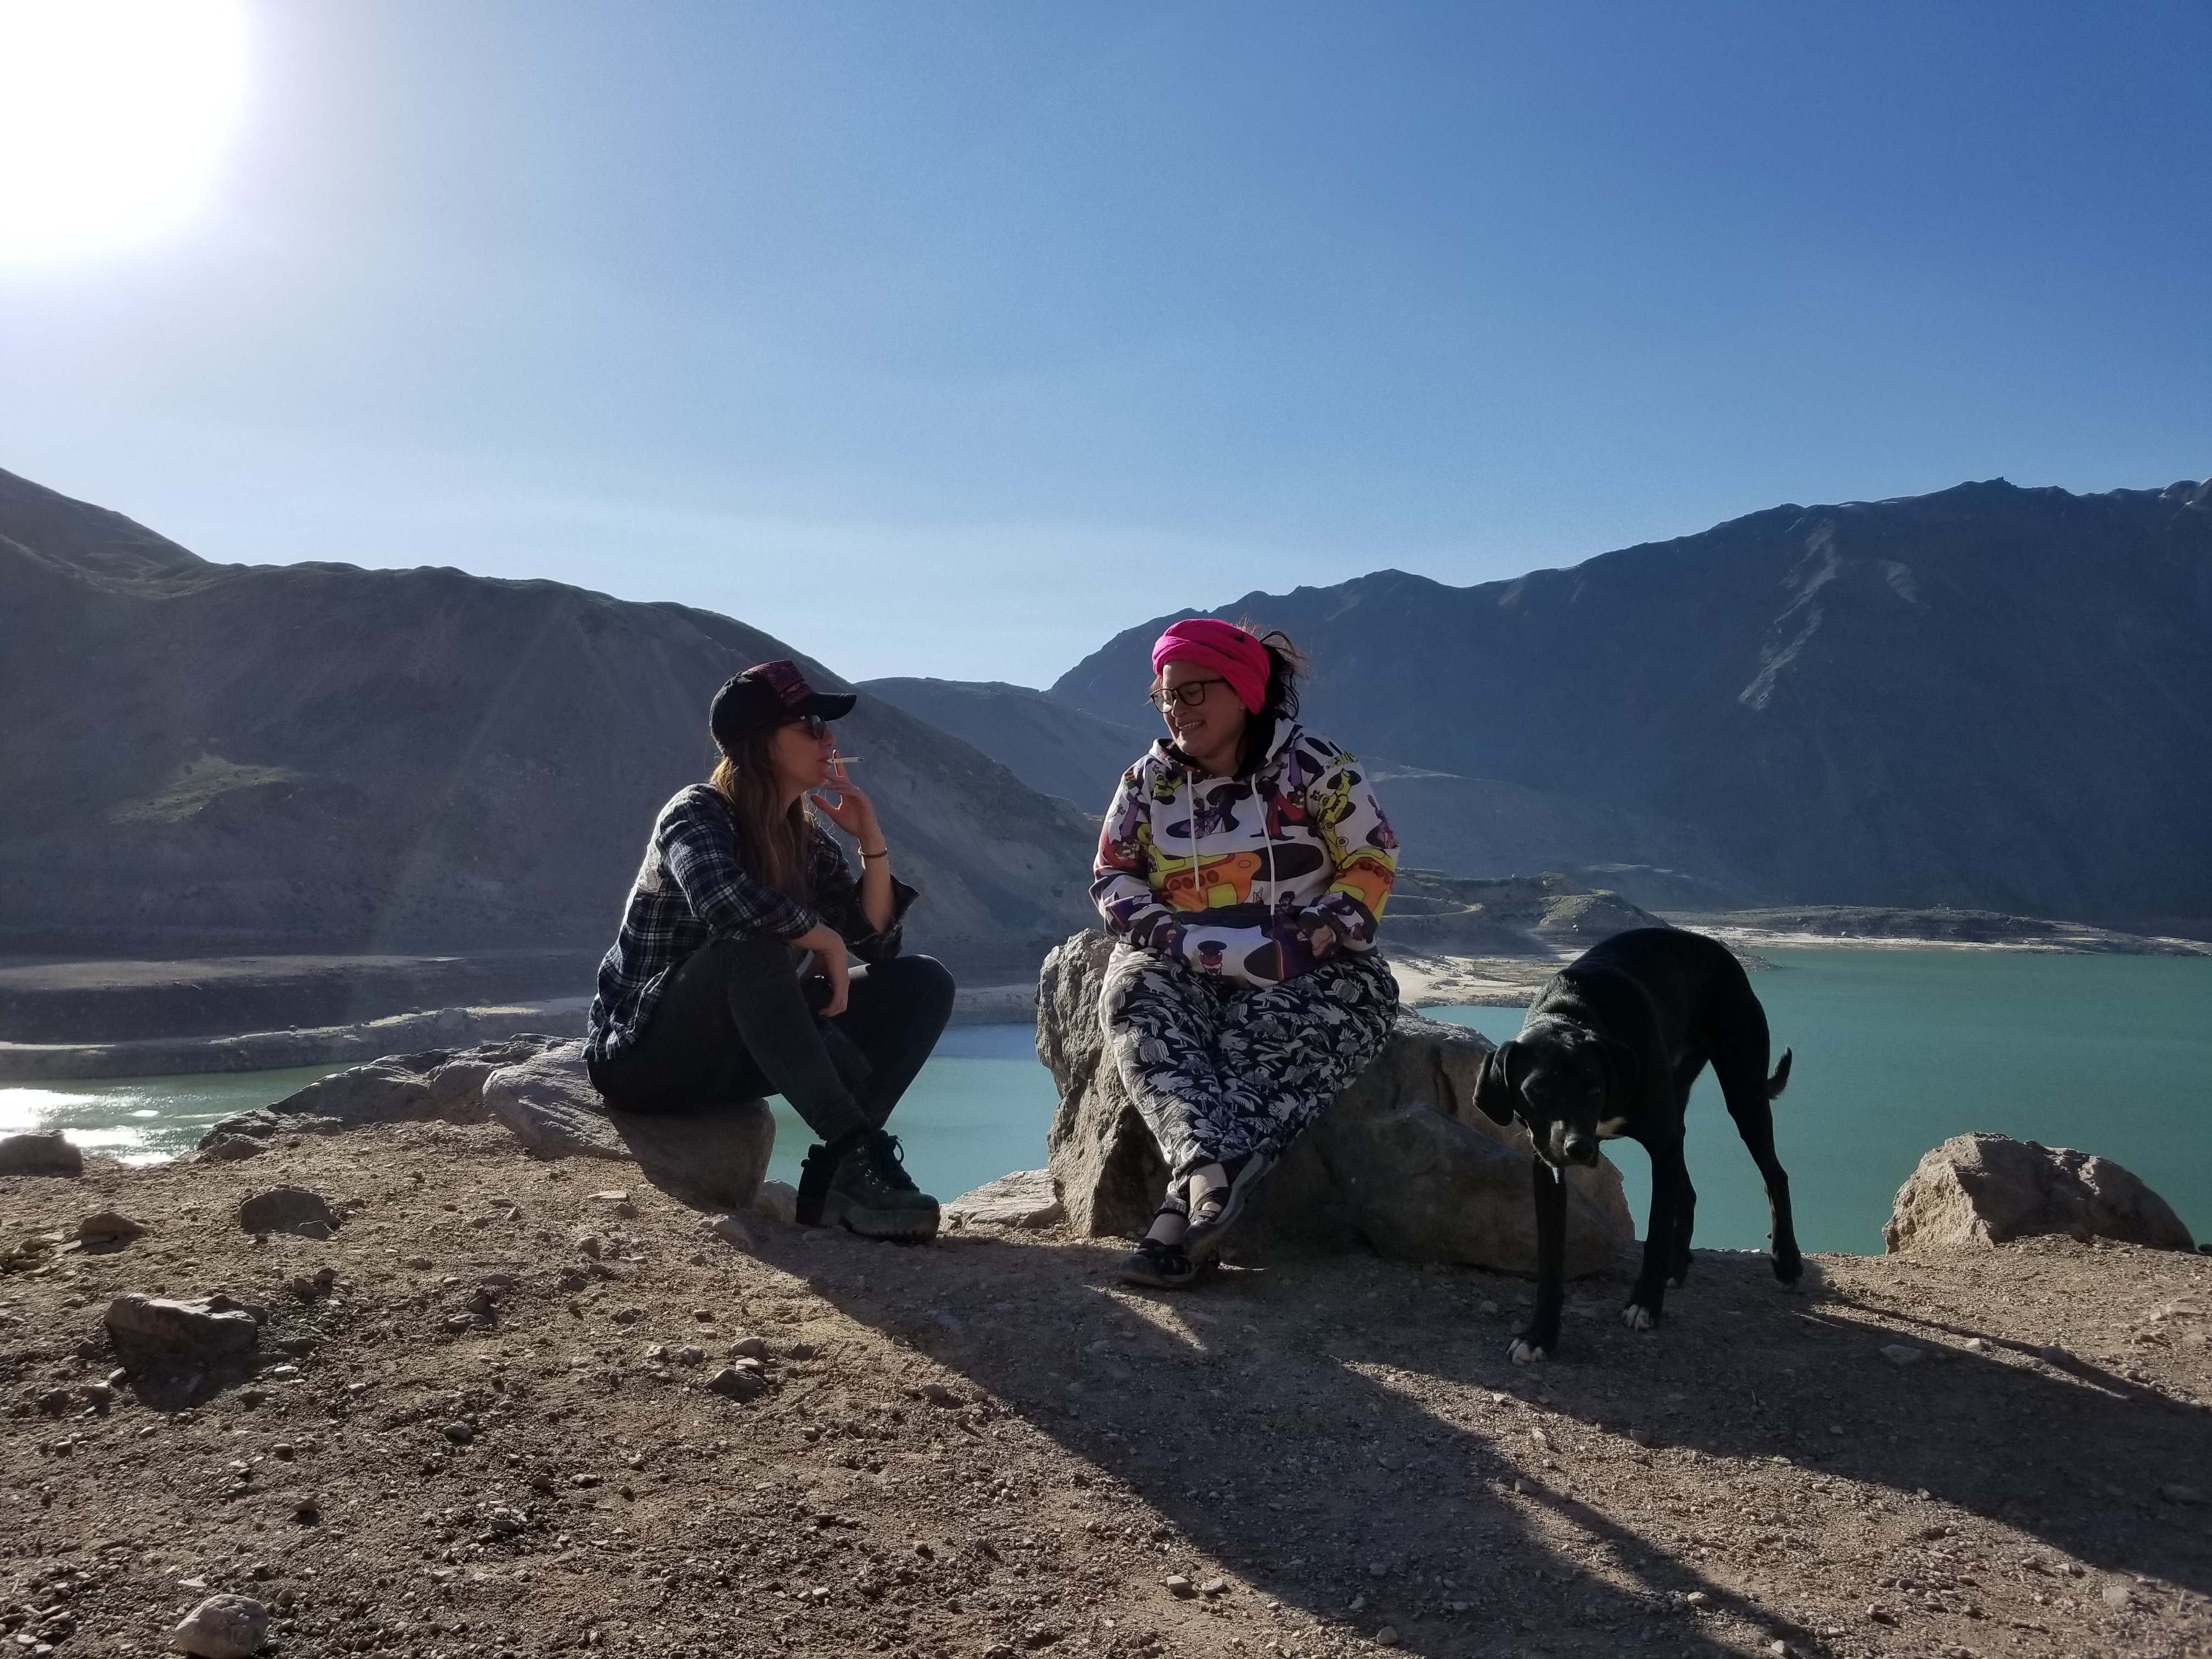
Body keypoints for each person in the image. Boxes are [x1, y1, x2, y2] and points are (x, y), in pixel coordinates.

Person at [584, 659, 953, 1240]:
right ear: (760, 742)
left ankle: (845, 1171)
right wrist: (821, 936)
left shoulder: (802, 838)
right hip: (646, 1059)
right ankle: (855, 1145)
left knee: (923, 984)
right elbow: (720, 901)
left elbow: (879, 944)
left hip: (738, 1057)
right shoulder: (696, 812)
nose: (828, 738)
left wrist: (871, 843)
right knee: (749, 948)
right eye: (809, 724)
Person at [1092, 618, 1401, 1288]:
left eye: (1195, 691)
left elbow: (1372, 855)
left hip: (1309, 963)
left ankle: (1181, 1213)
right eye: (1167, 695)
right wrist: (1169, 936)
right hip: (1183, 957)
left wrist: (1321, 927)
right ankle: (1210, 1177)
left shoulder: (1317, 765)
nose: (1177, 708)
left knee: (1262, 1040)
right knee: (1131, 998)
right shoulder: (1147, 782)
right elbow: (1113, 876)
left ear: (1245, 692)